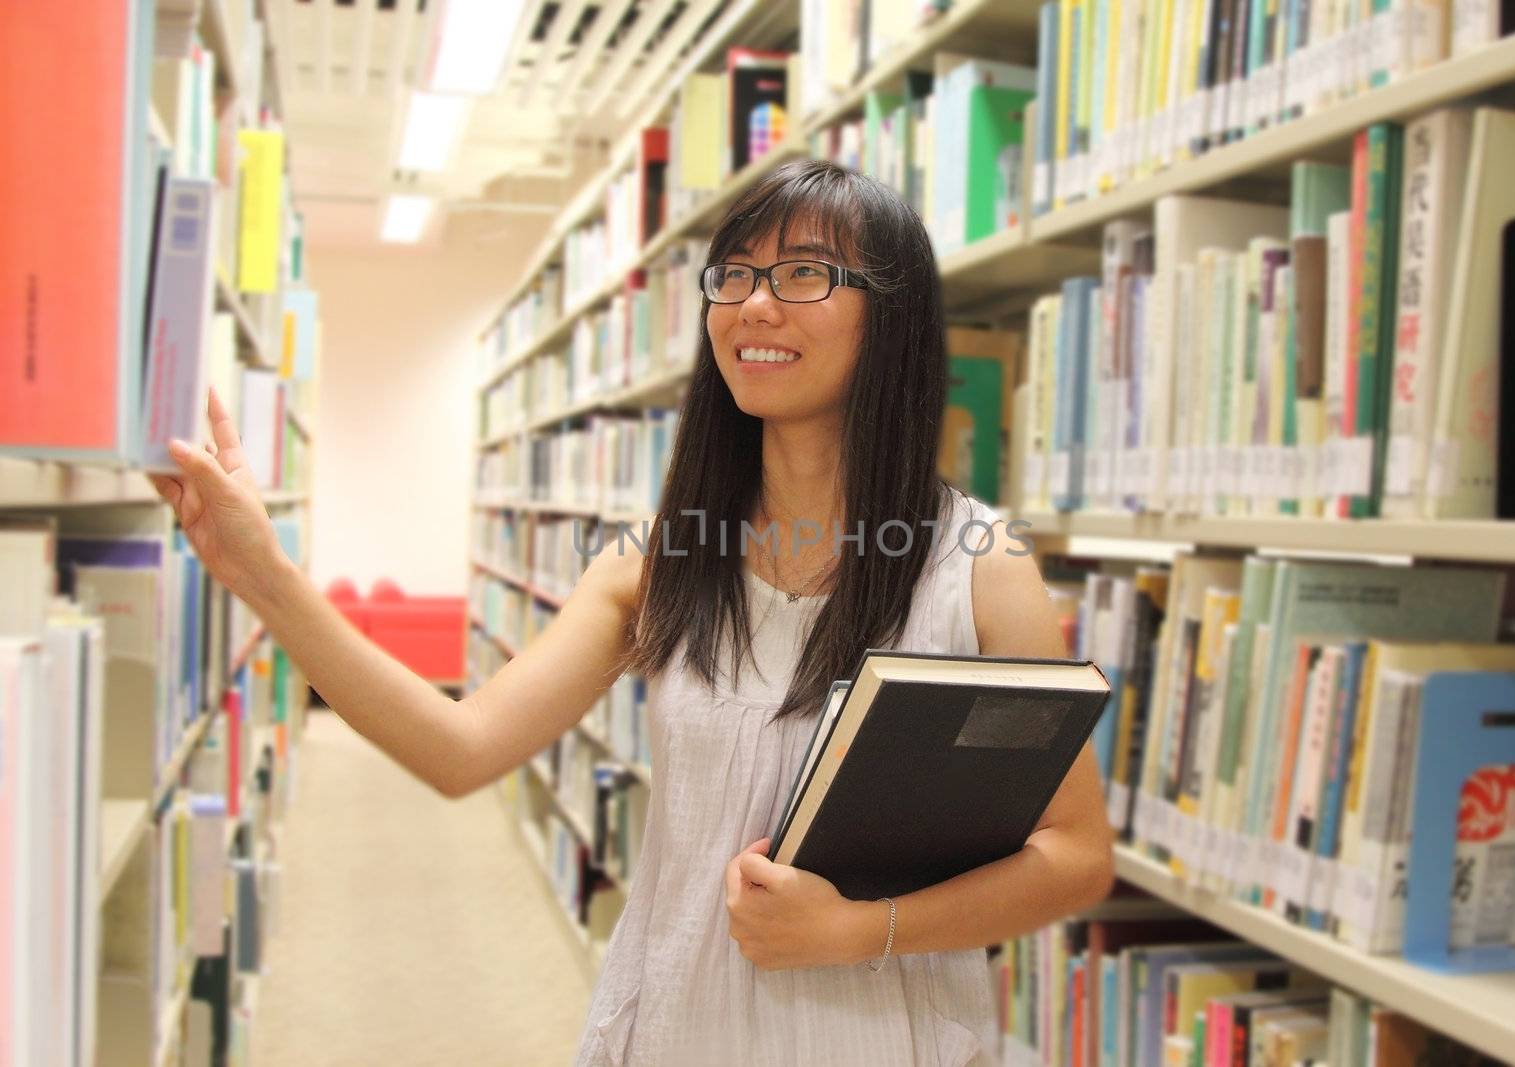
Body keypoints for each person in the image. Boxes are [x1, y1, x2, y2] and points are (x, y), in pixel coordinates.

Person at [150, 157, 1115, 1066]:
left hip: (881, 1036)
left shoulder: (978, 569)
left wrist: (860, 929)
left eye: (807, 273)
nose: (755, 305)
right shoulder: (654, 566)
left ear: (891, 317)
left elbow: (1075, 857)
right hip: (679, 1028)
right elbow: (458, 748)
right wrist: (264, 577)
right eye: (733, 275)